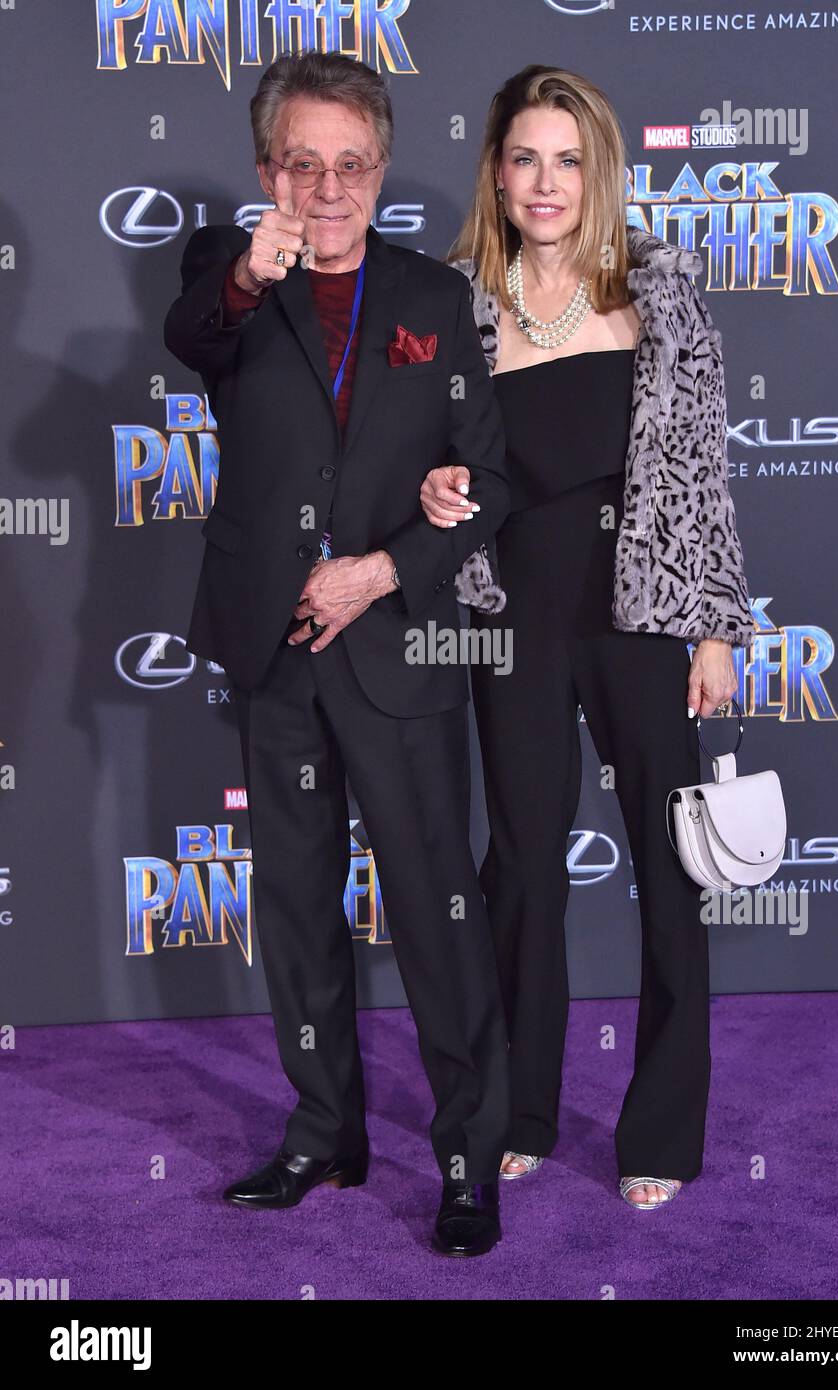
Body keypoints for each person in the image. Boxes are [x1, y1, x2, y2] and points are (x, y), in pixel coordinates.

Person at [163, 50, 514, 1257]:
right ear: (268, 170)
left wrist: (389, 563)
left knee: (435, 909)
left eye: (349, 164)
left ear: (380, 169)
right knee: (298, 905)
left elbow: (492, 471)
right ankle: (325, 1131)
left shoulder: (430, 296)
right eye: (301, 164)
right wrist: (252, 277)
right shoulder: (229, 275)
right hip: (275, 648)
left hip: (397, 641)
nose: (326, 187)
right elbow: (194, 333)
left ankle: (469, 1157)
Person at [419, 66, 756, 1209]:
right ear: (497, 171)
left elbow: (703, 473)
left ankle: (659, 1127)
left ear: (599, 169)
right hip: (512, 611)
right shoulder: (457, 305)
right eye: (525, 158)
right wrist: (440, 489)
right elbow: (423, 462)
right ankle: (518, 1104)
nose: (546, 181)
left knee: (667, 865)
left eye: (568, 159)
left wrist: (714, 625)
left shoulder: (659, 293)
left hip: (644, 613)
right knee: (519, 863)